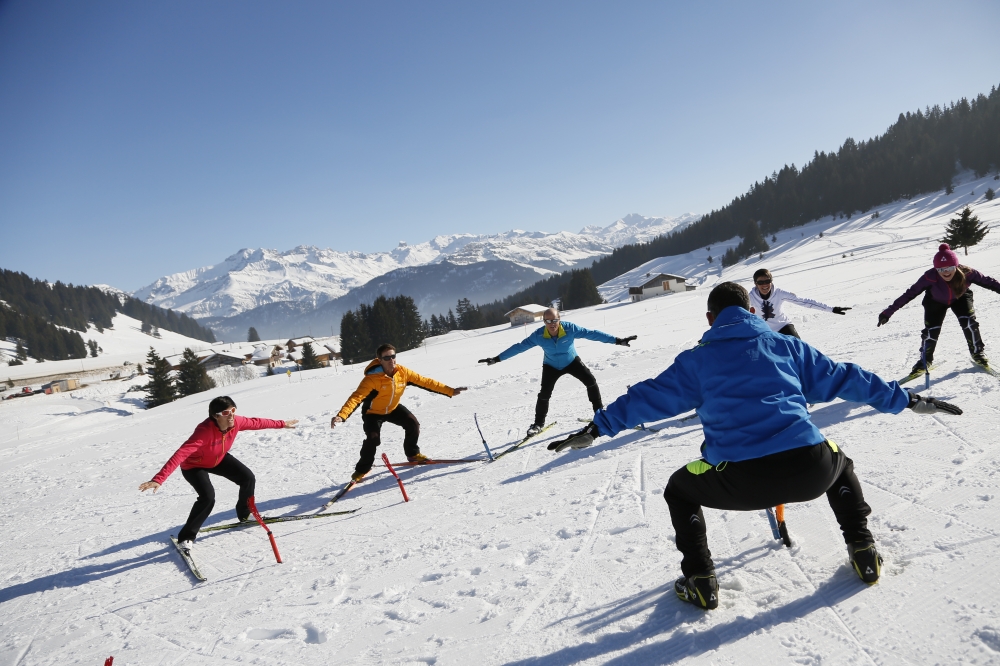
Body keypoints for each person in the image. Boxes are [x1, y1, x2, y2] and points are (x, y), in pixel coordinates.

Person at [547, 282, 961, 610]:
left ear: (709, 318)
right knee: (838, 459)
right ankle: (863, 547)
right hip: (810, 470)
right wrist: (906, 399)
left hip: (738, 482)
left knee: (679, 488)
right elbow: (847, 377)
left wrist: (597, 428)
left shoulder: (696, 361)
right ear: (749, 311)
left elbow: (646, 397)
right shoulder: (787, 346)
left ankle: (701, 579)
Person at [139, 396, 298, 554]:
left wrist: (281, 424)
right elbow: (180, 454)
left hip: (218, 459)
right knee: (208, 497)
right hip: (194, 466)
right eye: (226, 413)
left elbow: (256, 422)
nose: (231, 415)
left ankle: (244, 514)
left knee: (247, 478)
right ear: (215, 416)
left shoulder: (236, 422)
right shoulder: (203, 432)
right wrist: (158, 479)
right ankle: (186, 537)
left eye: (233, 410)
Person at [479, 307, 636, 436]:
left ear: (559, 319)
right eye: (548, 321)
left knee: (591, 381)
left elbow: (592, 334)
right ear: (544, 321)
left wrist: (617, 340)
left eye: (554, 320)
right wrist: (497, 359)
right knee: (544, 394)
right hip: (551, 366)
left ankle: (599, 413)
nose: (552, 324)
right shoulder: (539, 335)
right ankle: (538, 424)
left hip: (571, 361)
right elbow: (520, 347)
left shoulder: (570, 329)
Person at [331, 343, 466, 481]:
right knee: (373, 439)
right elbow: (356, 398)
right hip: (373, 413)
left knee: (413, 424)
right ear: (379, 359)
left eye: (393, 356)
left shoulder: (402, 373)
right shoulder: (371, 379)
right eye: (387, 357)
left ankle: (412, 454)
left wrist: (449, 390)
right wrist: (341, 416)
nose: (391, 360)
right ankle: (362, 469)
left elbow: (425, 382)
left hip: (392, 408)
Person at [878, 243, 1000, 373]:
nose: (946, 272)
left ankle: (978, 353)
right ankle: (925, 360)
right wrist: (888, 312)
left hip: (960, 298)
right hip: (935, 302)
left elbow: (989, 282)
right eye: (941, 269)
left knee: (969, 323)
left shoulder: (968, 273)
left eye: (949, 267)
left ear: (956, 266)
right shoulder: (929, 277)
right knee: (931, 331)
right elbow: (910, 294)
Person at [749, 268, 851, 338]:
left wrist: (832, 309)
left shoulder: (780, 294)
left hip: (783, 326)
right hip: (764, 331)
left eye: (767, 281)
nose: (765, 285)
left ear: (771, 281)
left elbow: (804, 301)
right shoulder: (750, 298)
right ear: (755, 284)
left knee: (799, 348)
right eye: (760, 282)